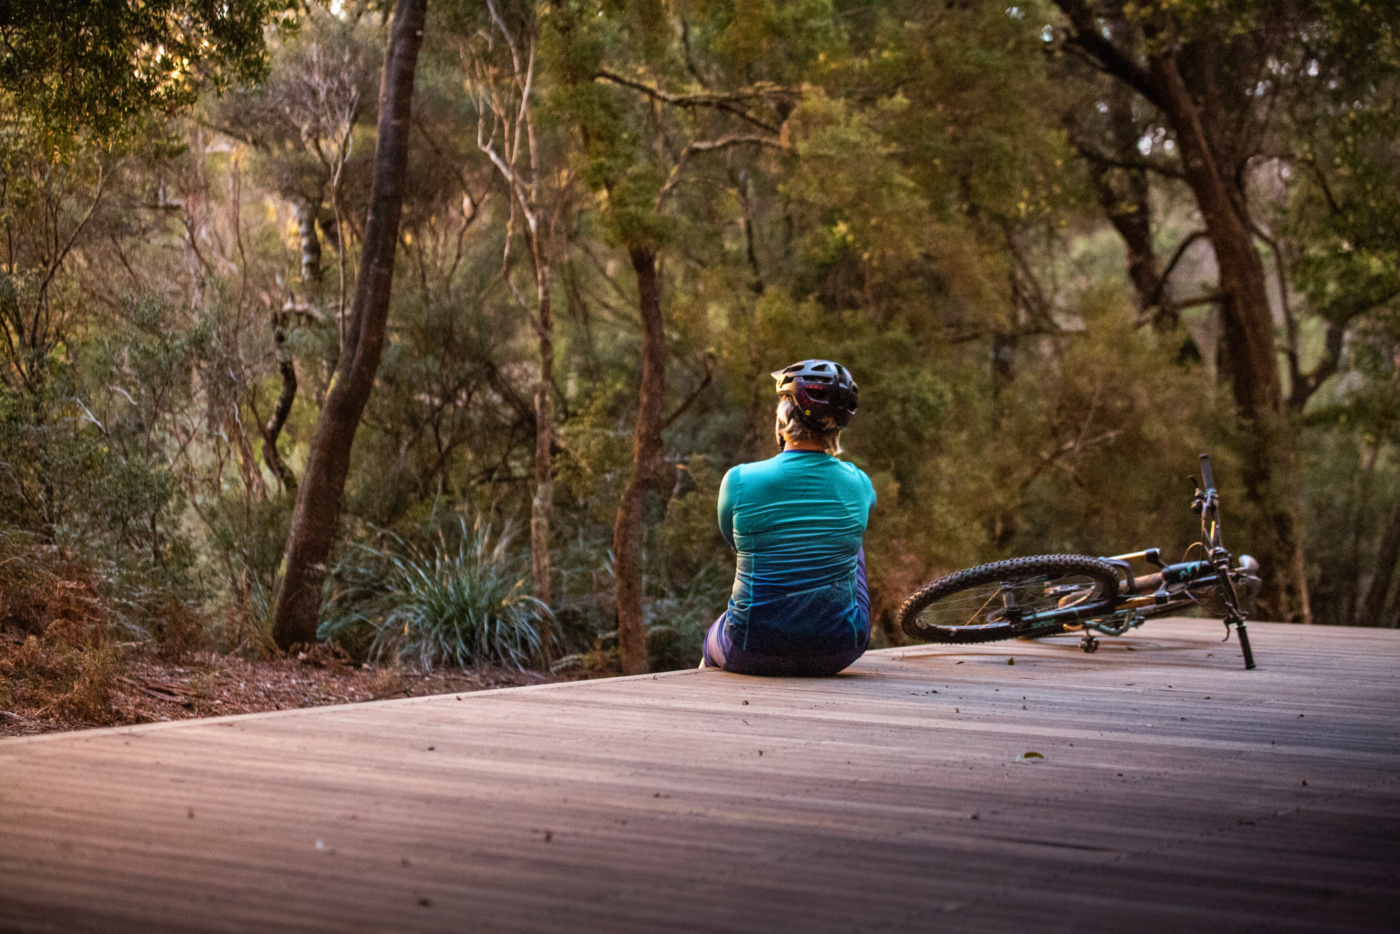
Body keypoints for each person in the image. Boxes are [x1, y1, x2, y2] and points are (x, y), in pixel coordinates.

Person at [701, 359, 877, 676]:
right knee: (853, 540)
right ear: (839, 425)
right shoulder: (859, 483)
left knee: (715, 634)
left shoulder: (739, 480)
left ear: (784, 414)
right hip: (838, 650)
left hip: (750, 649)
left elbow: (733, 541)